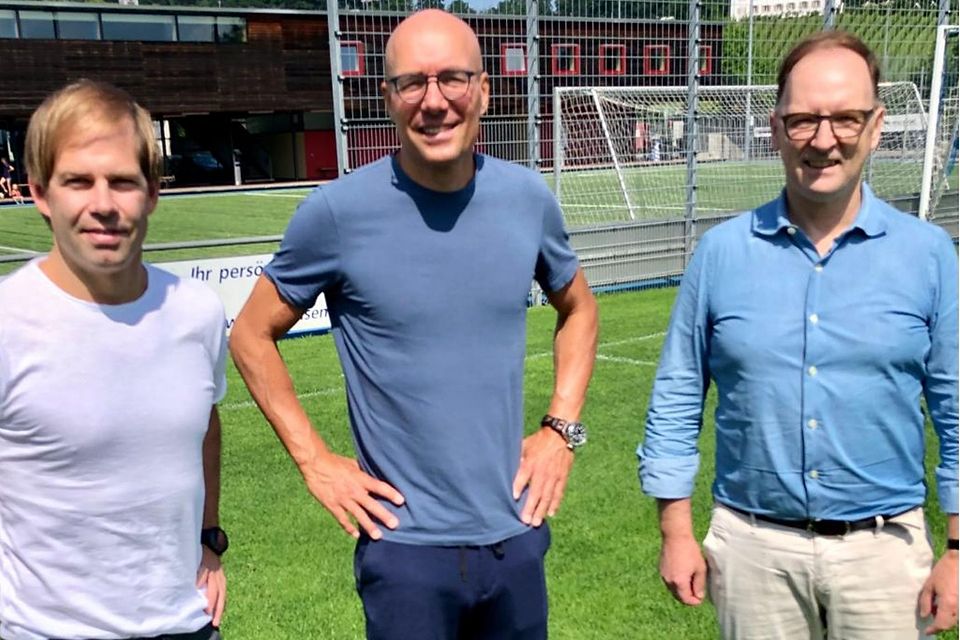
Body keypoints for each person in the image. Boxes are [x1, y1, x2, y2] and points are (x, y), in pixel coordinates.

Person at [229, 9, 598, 640]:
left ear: (484, 89)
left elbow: (580, 308)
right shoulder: (337, 214)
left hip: (516, 537)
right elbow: (249, 334)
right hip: (405, 552)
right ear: (388, 97)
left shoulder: (527, 198)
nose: (435, 102)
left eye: (453, 78)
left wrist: (559, 428)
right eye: (412, 83)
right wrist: (315, 461)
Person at [638, 31, 957, 640]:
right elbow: (677, 395)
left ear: (876, 124)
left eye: (845, 118)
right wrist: (676, 533)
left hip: (886, 554)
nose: (824, 138)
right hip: (753, 549)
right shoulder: (721, 254)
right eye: (804, 119)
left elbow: (956, 407)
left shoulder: (929, 255)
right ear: (777, 125)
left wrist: (958, 551)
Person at [0, 80, 228, 639]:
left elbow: (205, 425)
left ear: (152, 192)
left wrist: (210, 538)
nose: (103, 205)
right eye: (78, 181)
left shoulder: (195, 311)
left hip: (185, 625)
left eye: (122, 181)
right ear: (40, 193)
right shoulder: (7, 321)